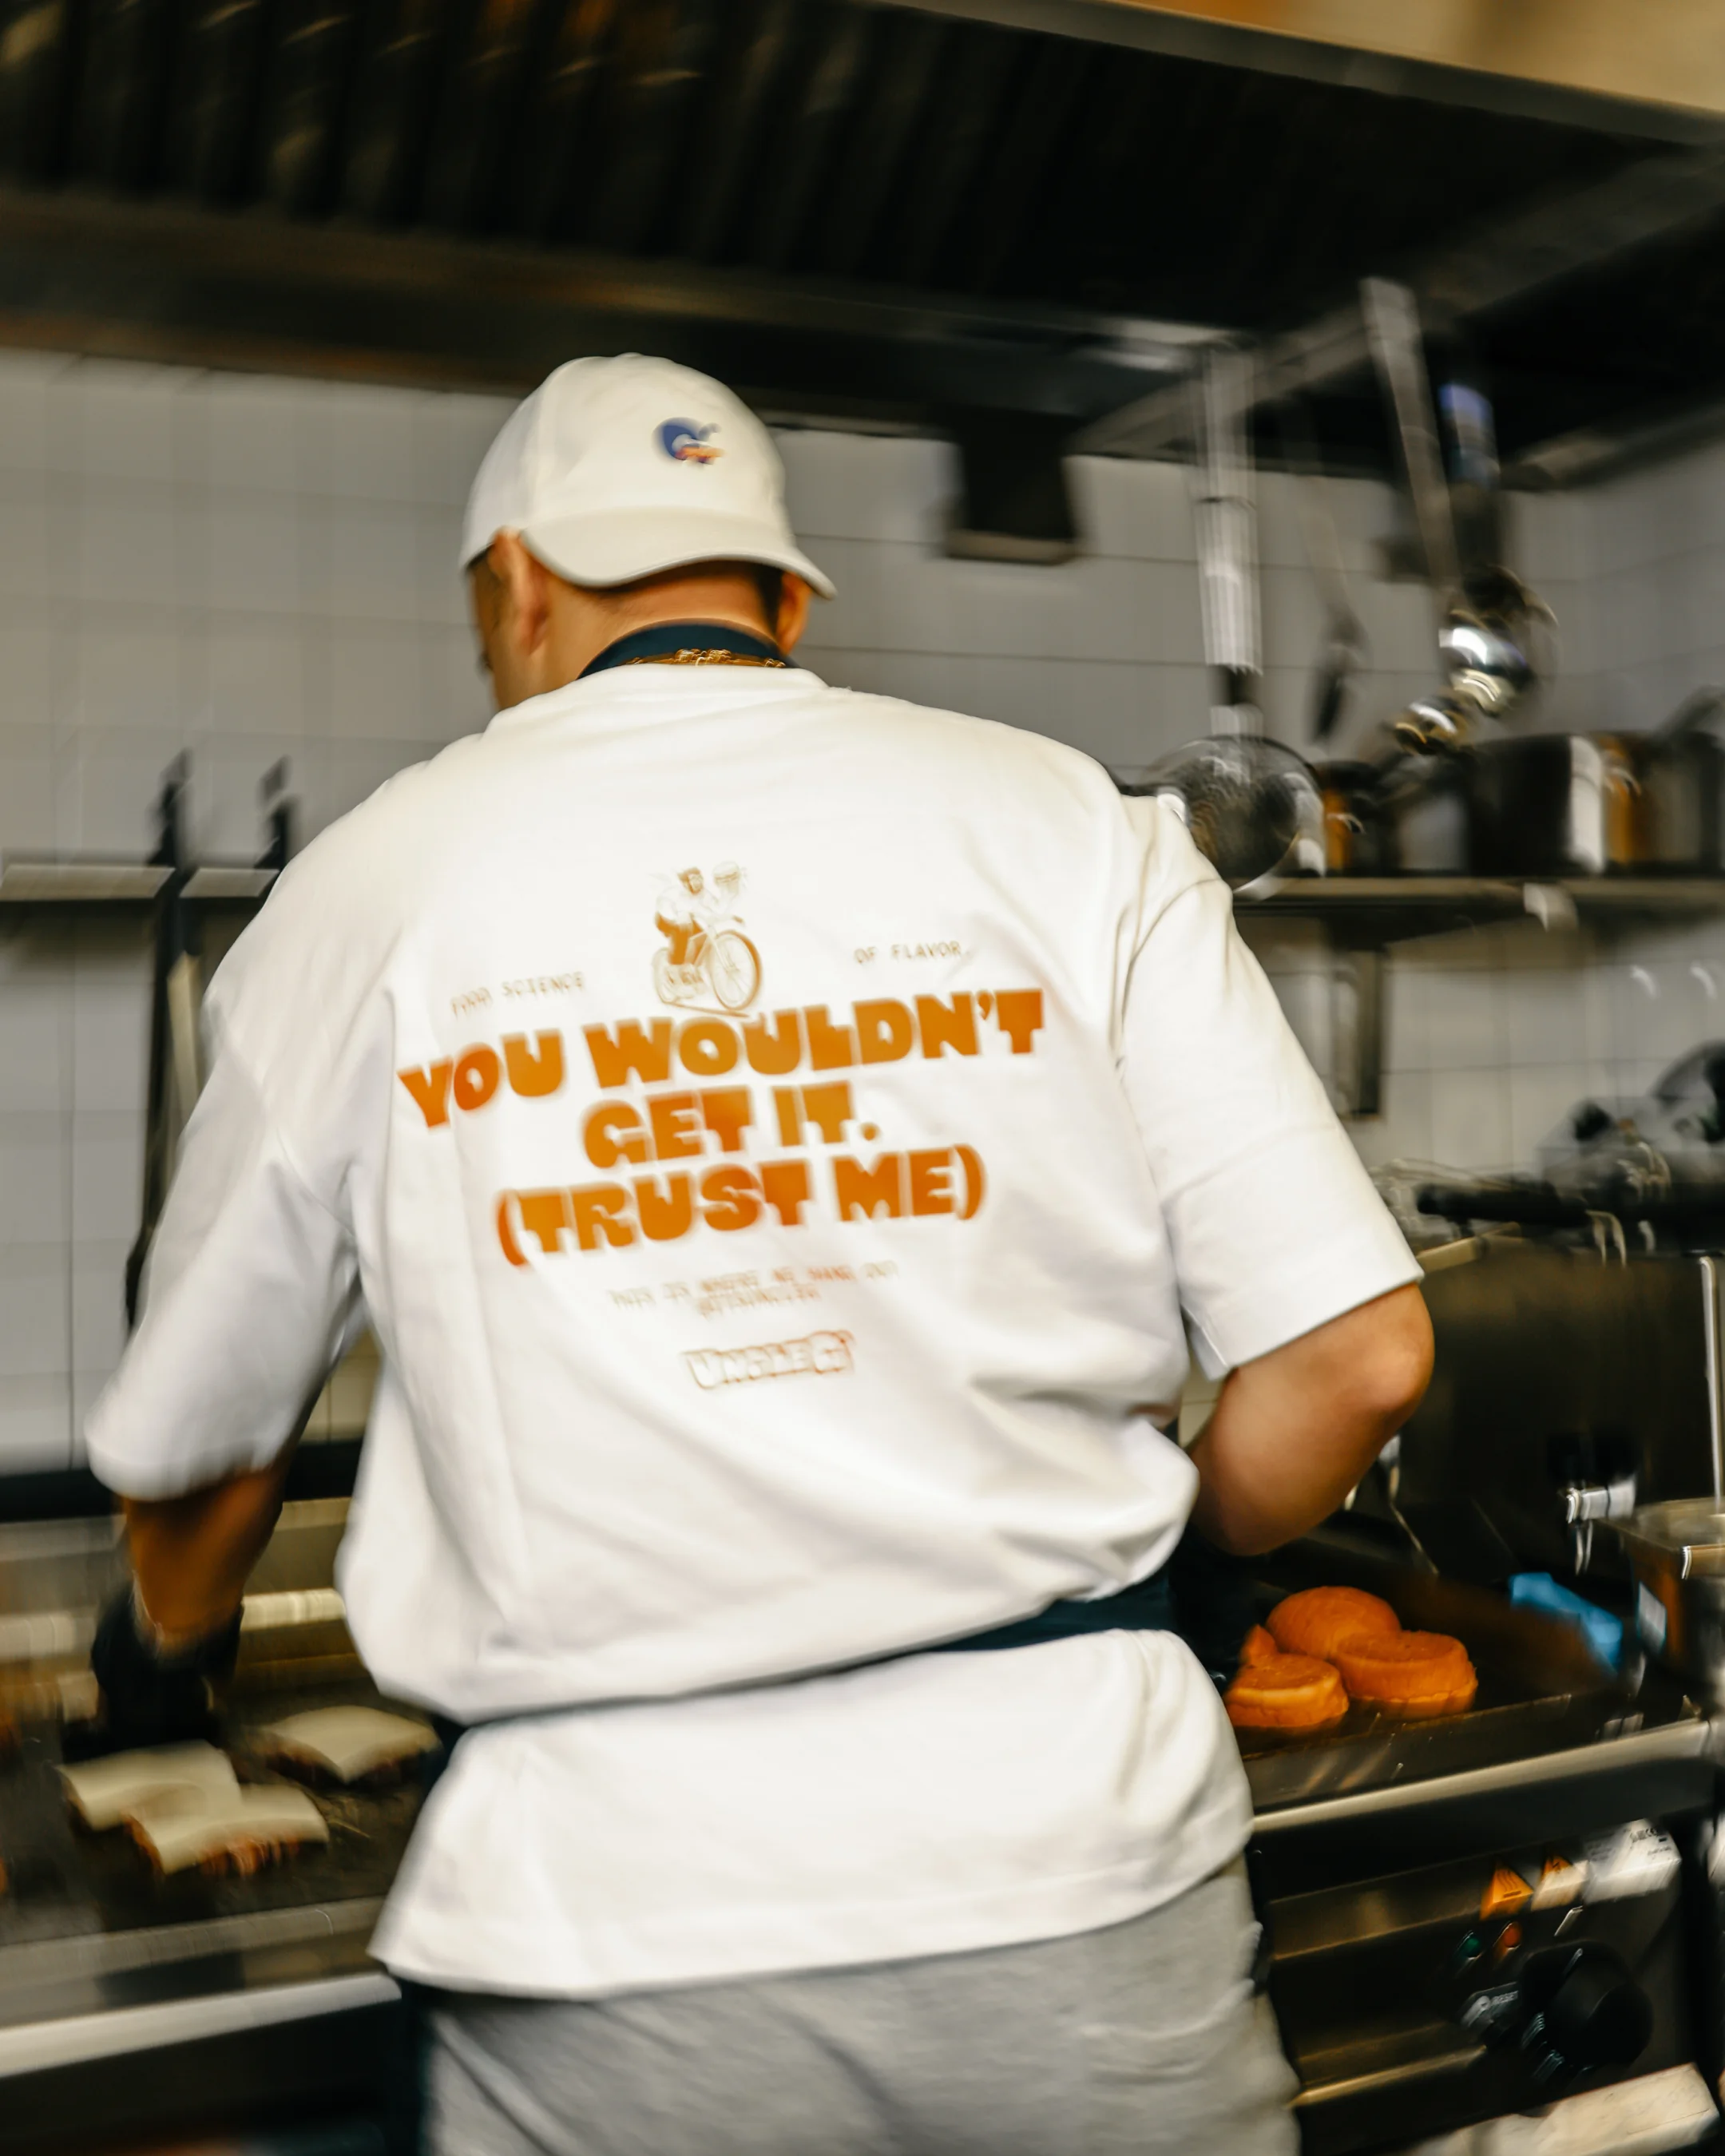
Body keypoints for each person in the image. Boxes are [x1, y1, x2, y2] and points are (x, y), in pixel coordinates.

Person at [82, 353, 1432, 2156]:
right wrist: (1173, 1554)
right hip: (1083, 1876)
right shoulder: (1072, 828)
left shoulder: (369, 885)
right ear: (787, 601)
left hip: (619, 1925)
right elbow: (1356, 1358)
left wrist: (161, 1659)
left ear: (516, 586)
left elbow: (205, 1458)